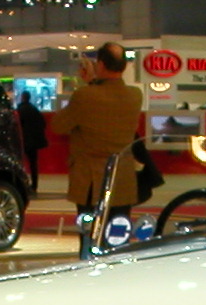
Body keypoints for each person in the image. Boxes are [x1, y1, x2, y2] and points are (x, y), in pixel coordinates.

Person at [51, 42, 144, 217]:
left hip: (91, 181)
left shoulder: (84, 95)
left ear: (100, 64)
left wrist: (88, 84)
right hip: (122, 178)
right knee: (118, 233)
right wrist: (94, 82)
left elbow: (58, 125)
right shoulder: (135, 95)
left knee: (89, 235)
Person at [15, 90, 48, 192]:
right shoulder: (35, 110)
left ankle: (21, 184)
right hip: (33, 142)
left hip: (22, 141)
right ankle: (34, 185)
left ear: (22, 97)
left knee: (20, 164)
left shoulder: (19, 110)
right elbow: (43, 124)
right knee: (33, 164)